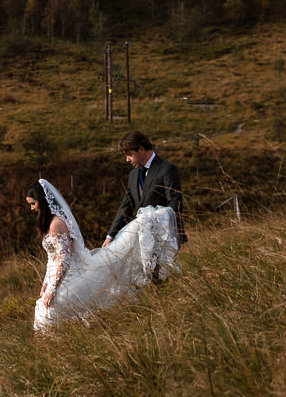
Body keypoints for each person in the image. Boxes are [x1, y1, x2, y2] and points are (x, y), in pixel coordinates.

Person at [25, 177, 179, 333]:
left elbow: (64, 259)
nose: (31, 208)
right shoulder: (49, 224)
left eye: (33, 204)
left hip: (71, 275)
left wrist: (52, 288)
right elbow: (52, 258)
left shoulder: (56, 225)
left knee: (50, 311)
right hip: (59, 277)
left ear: (43, 202)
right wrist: (46, 282)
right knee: (44, 312)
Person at [103, 130, 186, 248]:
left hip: (166, 238)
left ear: (141, 149)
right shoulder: (133, 175)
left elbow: (175, 203)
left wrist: (155, 220)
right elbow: (126, 207)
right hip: (143, 239)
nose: (127, 160)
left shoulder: (166, 169)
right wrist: (111, 236)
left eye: (130, 155)